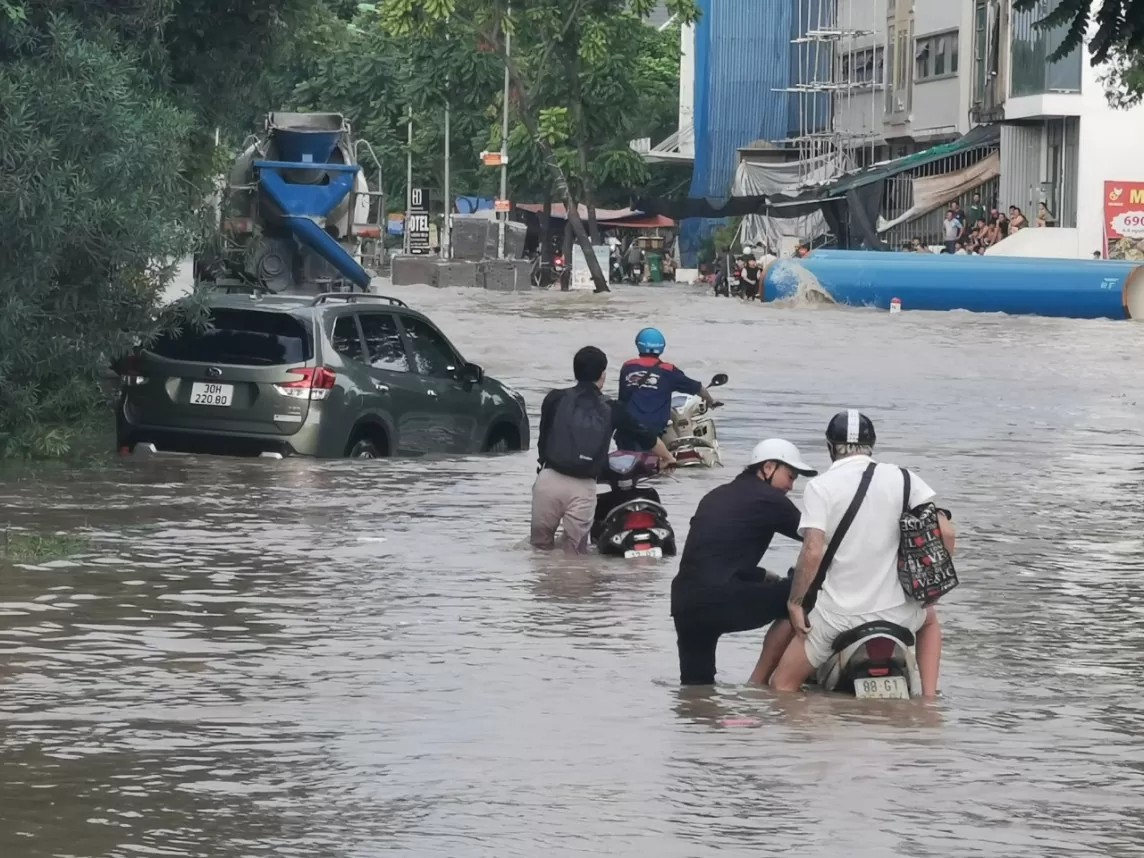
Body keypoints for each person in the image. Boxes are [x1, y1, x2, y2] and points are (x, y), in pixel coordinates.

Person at [770, 411, 956, 697]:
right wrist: (931, 593)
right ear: (871, 445)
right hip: (900, 615)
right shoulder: (906, 479)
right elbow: (946, 533)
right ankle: (929, 701)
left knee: (782, 687)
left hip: (839, 617)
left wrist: (796, 603)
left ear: (830, 446)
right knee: (929, 619)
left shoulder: (820, 487)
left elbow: (812, 551)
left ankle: (809, 740)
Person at [671, 439, 819, 686]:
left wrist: (761, 575)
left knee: (697, 690)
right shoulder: (770, 500)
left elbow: (715, 555)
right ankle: (757, 683)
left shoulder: (716, 495)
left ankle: (695, 722)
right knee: (801, 596)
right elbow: (817, 541)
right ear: (769, 467)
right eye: (790, 477)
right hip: (722, 598)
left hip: (685, 603)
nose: (791, 487)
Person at [532, 346, 676, 554]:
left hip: (548, 480)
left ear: (575, 371)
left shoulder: (554, 399)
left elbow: (543, 439)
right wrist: (667, 457)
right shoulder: (612, 407)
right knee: (574, 555)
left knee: (539, 550)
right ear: (603, 375)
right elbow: (646, 437)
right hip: (583, 488)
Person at [615, 328, 719, 452]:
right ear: (662, 347)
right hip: (652, 431)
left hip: (627, 427)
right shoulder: (668, 370)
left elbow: (622, 397)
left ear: (638, 344)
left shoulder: (628, 366)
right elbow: (698, 388)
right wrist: (710, 401)